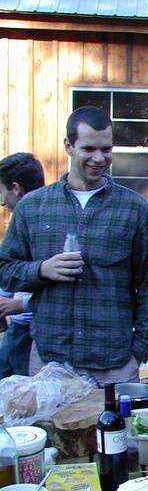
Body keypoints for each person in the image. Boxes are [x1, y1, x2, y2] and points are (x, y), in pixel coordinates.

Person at [0, 106, 148, 384]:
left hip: (114, 364)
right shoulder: (33, 207)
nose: (99, 158)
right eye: (88, 149)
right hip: (49, 363)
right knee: (51, 430)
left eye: (107, 149)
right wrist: (41, 270)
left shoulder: (133, 209)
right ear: (69, 147)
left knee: (115, 430)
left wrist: (138, 352)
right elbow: (5, 269)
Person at [0, 153, 45, 377]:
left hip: (31, 334)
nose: (1, 200)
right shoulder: (20, 222)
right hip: (16, 330)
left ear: (15, 188)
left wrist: (21, 304)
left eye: (1, 191)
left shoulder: (43, 224)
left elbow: (62, 286)